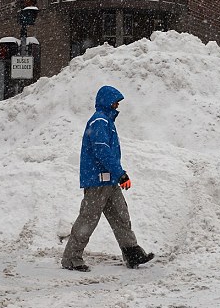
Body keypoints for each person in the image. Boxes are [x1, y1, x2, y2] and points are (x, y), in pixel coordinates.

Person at [62, 85, 154, 272]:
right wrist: (120, 173)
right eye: (115, 102)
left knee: (121, 216)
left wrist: (116, 175)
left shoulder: (106, 121)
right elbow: (102, 150)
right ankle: (71, 258)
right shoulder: (99, 121)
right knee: (88, 219)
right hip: (97, 180)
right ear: (106, 101)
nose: (117, 106)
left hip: (109, 180)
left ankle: (132, 253)